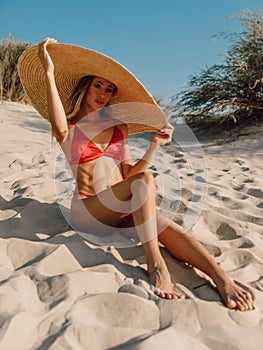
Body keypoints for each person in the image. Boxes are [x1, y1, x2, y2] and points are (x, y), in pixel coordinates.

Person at [19, 37, 254, 311]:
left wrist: (154, 145)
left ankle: (221, 278)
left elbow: (130, 172)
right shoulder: (71, 128)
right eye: (98, 85)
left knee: (162, 221)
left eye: (108, 89)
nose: (103, 94)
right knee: (145, 184)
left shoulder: (118, 130)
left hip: (121, 207)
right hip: (90, 211)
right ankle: (155, 264)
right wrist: (49, 71)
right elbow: (58, 126)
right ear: (85, 87)